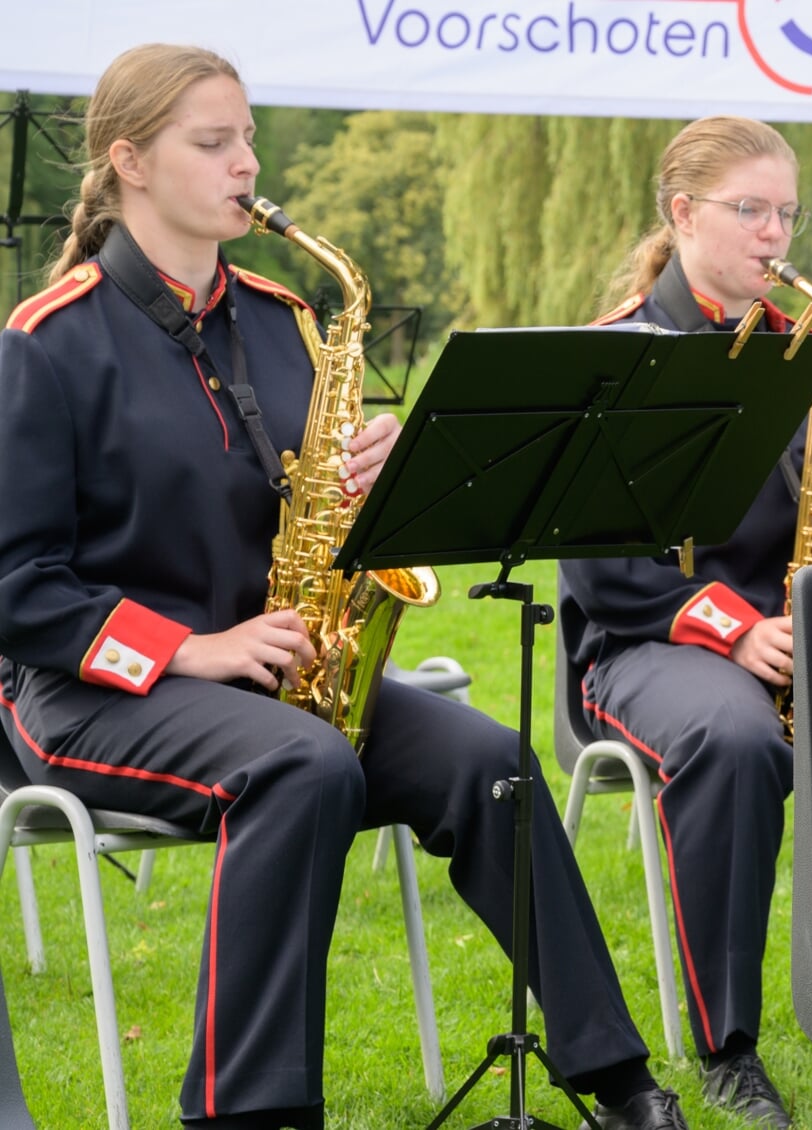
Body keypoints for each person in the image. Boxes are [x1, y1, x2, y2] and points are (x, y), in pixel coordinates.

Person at [0, 45, 686, 1130]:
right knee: (306, 759)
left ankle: (615, 1079)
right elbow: (15, 583)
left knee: (489, 760)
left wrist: (382, 480)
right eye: (212, 143)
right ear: (129, 160)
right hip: (90, 693)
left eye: (250, 137)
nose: (245, 163)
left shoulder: (282, 319)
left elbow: (311, 518)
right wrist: (190, 648)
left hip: (274, 674)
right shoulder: (46, 344)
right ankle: (250, 1110)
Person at [558, 116, 812, 1129]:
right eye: (750, 210)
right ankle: (728, 1047)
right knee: (737, 733)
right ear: (683, 213)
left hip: (791, 631)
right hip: (645, 641)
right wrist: (736, 628)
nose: (773, 234)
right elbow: (605, 567)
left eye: (785, 212)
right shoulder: (616, 354)